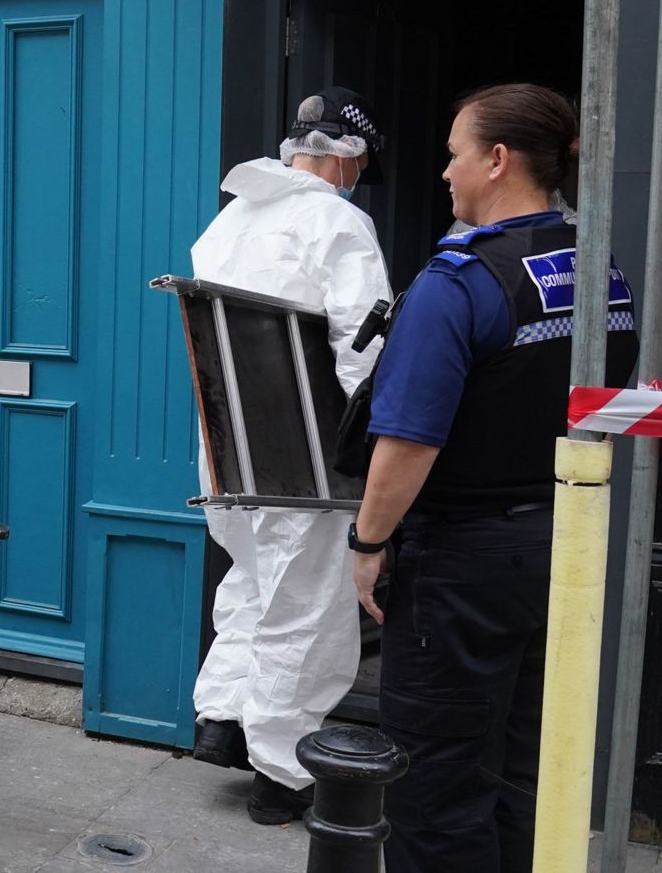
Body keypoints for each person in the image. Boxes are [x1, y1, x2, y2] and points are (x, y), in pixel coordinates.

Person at [348, 84, 636, 872]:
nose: (445, 172)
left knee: (436, 785)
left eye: (453, 153)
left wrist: (367, 540)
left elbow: (406, 442)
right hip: (563, 546)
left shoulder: (458, 281)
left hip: (462, 563)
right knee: (522, 768)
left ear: (498, 160)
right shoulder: (599, 267)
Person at [188, 86, 393, 824]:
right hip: (305, 448)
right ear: (353, 156)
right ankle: (282, 774)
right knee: (306, 604)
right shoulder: (339, 220)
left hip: (226, 443)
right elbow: (363, 342)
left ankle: (223, 719)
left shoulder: (231, 218)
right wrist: (376, 453)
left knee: (252, 579)